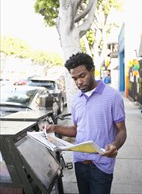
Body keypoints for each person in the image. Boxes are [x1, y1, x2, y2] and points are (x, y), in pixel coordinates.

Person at [44, 52, 127, 194]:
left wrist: (115, 145)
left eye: (82, 76)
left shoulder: (113, 96)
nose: (79, 82)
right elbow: (76, 130)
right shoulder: (76, 99)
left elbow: (122, 131)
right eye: (74, 78)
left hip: (102, 165)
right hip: (80, 163)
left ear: (92, 70)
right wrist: (54, 127)